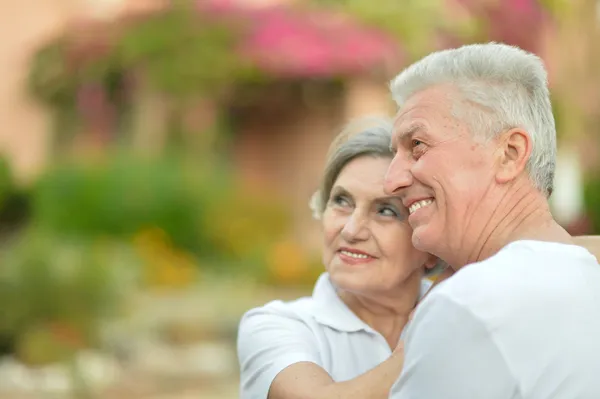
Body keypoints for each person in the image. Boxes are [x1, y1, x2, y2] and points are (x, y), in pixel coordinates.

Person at [384, 42, 600, 398]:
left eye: (417, 145)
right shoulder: (586, 280)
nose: (391, 180)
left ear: (510, 154)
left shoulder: (468, 304)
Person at [237, 117, 439, 399]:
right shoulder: (277, 325)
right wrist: (433, 334)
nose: (351, 229)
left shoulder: (474, 319)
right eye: (342, 201)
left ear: (430, 245)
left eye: (386, 211)